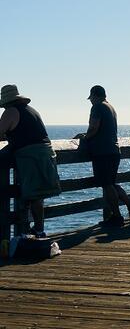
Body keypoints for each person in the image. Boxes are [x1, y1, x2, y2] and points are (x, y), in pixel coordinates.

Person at [0, 84, 61, 237]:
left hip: (31, 156)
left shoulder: (10, 112)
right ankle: (38, 229)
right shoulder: (32, 110)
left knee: (33, 194)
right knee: (37, 196)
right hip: (46, 153)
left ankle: (28, 231)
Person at [78, 85, 130, 227]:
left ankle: (118, 216)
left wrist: (85, 138)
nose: (90, 101)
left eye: (91, 98)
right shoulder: (110, 107)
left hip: (102, 151)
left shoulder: (98, 107)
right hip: (113, 150)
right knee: (110, 184)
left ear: (95, 95)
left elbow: (94, 127)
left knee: (107, 185)